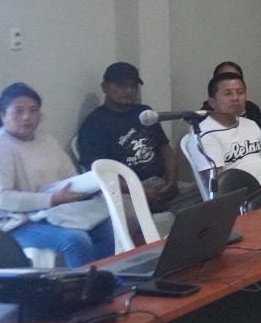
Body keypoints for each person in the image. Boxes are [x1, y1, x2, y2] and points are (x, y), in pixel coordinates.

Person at [0, 83, 115, 267]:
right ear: (3, 116)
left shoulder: (46, 139)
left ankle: (107, 279)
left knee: (105, 225)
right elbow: (1, 198)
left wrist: (84, 190)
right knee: (75, 240)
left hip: (50, 212)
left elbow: (69, 176)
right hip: (14, 223)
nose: (27, 117)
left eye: (33, 110)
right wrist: (52, 200)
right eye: (18, 111)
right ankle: (84, 285)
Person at [76, 61, 200, 214]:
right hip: (123, 191)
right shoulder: (94, 123)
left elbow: (165, 150)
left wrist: (172, 181)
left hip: (158, 183)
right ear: (104, 87)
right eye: (121, 85)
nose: (128, 90)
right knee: (129, 213)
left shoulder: (145, 113)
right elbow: (96, 171)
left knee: (203, 194)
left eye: (133, 85)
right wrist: (138, 189)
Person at [195, 72, 261, 200]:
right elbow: (220, 185)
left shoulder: (250, 124)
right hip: (246, 199)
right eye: (228, 93)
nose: (236, 98)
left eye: (240, 92)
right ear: (212, 102)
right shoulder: (205, 133)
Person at [202, 60, 261, 129]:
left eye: (235, 76)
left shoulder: (252, 109)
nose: (235, 98)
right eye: (228, 93)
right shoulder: (204, 116)